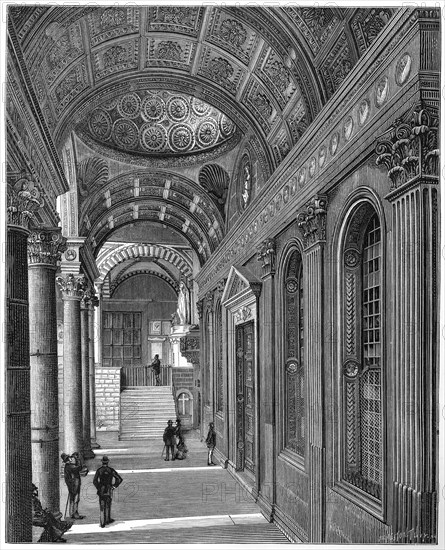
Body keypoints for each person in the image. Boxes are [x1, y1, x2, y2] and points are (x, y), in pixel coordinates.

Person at [93, 456, 123, 528]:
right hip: (109, 489)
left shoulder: (99, 470)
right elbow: (119, 479)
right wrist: (114, 486)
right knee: (108, 504)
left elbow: (95, 481)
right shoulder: (111, 470)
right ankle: (107, 519)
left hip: (101, 489)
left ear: (102, 462)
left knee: (102, 505)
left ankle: (102, 522)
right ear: (107, 462)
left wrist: (98, 487)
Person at [61, 452, 85, 519]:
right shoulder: (70, 466)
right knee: (76, 499)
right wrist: (78, 459)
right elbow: (79, 468)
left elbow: (76, 467)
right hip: (74, 484)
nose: (71, 459)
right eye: (69, 458)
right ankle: (75, 514)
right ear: (67, 460)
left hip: (71, 484)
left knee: (72, 498)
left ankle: (72, 513)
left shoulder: (67, 466)